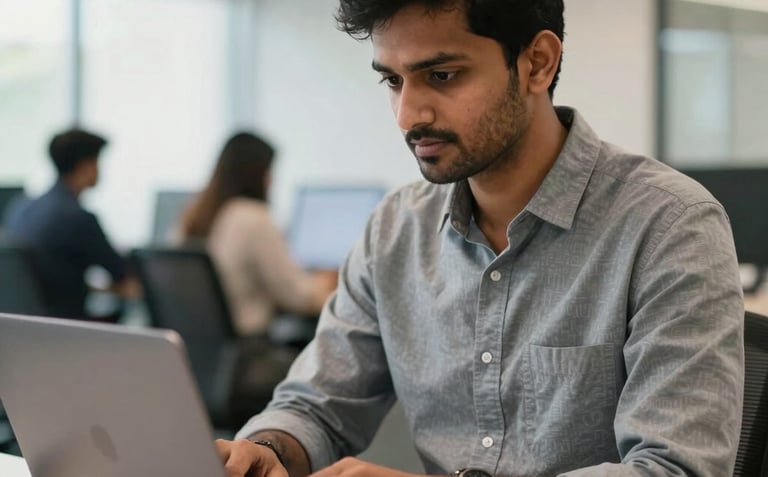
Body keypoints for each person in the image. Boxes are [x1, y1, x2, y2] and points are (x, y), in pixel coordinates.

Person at [216, 1, 745, 476]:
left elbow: (673, 469)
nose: (408, 115)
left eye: (442, 75)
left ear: (537, 62)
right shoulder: (395, 230)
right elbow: (318, 404)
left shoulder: (669, 225)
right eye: (393, 82)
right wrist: (270, 448)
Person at [177, 132, 338, 337]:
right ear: (256, 173)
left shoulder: (195, 216)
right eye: (269, 172)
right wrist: (330, 281)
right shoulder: (253, 218)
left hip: (202, 350)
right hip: (250, 353)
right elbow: (299, 297)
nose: (271, 181)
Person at [3, 128, 139, 321]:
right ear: (85, 166)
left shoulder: (21, 207)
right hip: (67, 328)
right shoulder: (77, 218)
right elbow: (122, 275)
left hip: (23, 328)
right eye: (97, 162)